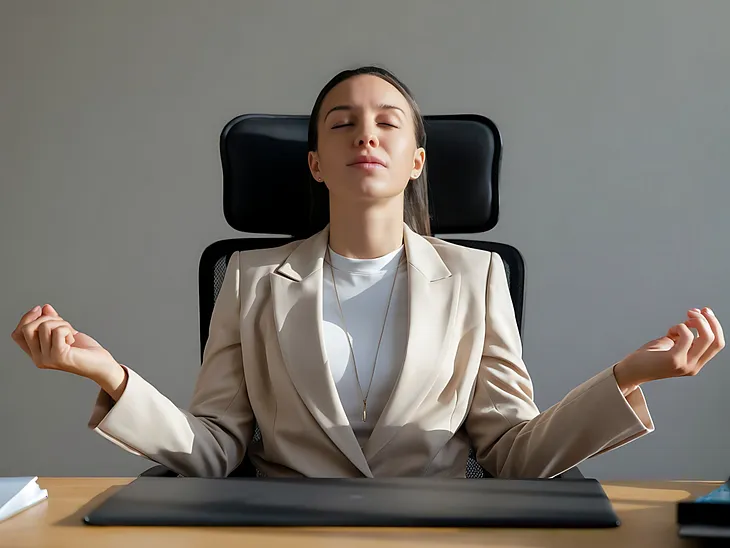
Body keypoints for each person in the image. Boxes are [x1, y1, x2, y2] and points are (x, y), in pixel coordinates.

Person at [11, 66, 725, 479]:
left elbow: (511, 453)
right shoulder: (251, 278)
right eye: (342, 123)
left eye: (388, 122)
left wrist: (628, 377)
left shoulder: (476, 278)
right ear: (316, 162)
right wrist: (110, 376)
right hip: (283, 535)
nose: (367, 134)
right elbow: (216, 450)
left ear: (417, 158)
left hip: (435, 534)